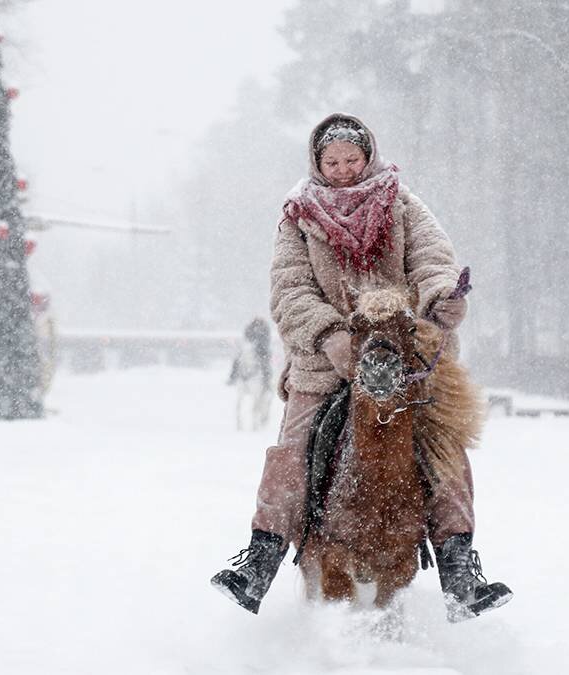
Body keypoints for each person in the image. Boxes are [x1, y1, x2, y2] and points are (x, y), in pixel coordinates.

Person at [210, 113, 512, 621]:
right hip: (326, 361)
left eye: (353, 160)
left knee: (446, 446)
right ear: (317, 163)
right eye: (333, 161)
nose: (345, 170)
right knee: (293, 446)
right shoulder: (297, 219)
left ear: (368, 156)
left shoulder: (403, 203)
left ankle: (460, 568)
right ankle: (261, 555)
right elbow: (290, 290)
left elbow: (433, 260)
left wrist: (442, 298)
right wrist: (330, 337)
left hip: (406, 354)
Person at [227, 317, 274, 431]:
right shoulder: (250, 328)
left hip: (261, 352)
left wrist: (260, 348)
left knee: (265, 366)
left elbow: (266, 342)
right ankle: (233, 376)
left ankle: (266, 382)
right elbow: (246, 338)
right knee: (238, 360)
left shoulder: (265, 328)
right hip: (251, 349)